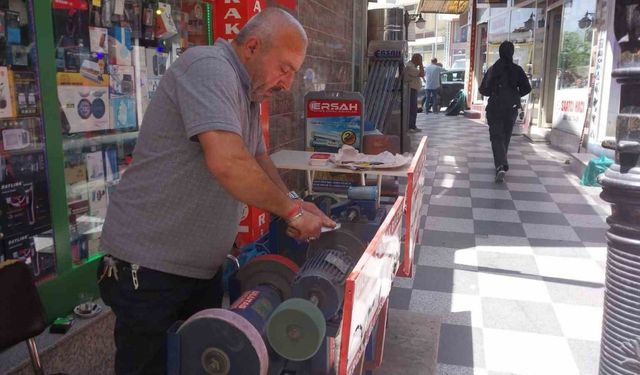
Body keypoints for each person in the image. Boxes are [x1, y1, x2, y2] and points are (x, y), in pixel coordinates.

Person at [97, 8, 335, 375]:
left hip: (198, 268)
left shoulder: (248, 92)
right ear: (253, 46)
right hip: (149, 269)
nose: (287, 83)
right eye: (285, 68)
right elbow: (229, 163)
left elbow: (256, 160)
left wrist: (293, 202)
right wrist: (292, 215)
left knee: (195, 363)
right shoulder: (209, 67)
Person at [479, 41, 531, 183]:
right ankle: (501, 163)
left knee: (496, 136)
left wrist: (495, 91)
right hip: (512, 107)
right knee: (506, 136)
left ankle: (501, 165)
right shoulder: (517, 70)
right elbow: (527, 88)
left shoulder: (493, 69)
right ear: (512, 53)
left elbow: (483, 90)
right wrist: (515, 94)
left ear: (500, 52)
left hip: (495, 106)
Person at [404, 53, 424, 133]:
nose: (420, 61)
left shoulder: (412, 66)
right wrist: (421, 64)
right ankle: (410, 126)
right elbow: (422, 74)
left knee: (413, 108)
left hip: (413, 89)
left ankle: (413, 125)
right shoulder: (410, 67)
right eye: (420, 60)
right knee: (412, 108)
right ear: (416, 59)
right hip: (410, 90)